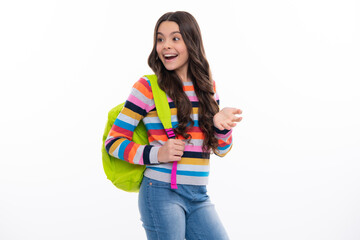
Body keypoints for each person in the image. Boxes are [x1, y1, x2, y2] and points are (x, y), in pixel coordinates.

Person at [105, 11, 242, 240]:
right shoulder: (148, 87)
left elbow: (221, 150)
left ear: (192, 42)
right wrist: (157, 153)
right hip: (161, 192)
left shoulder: (208, 89)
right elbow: (114, 142)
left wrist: (221, 126)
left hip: (199, 195)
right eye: (160, 39)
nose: (165, 46)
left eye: (175, 38)